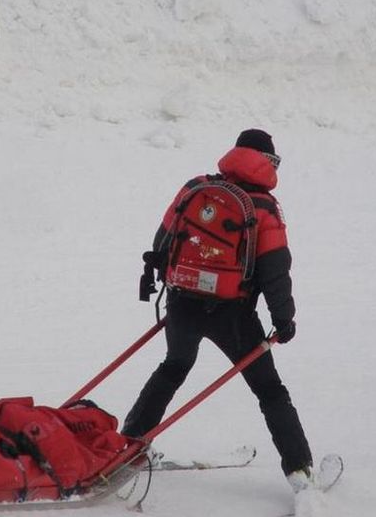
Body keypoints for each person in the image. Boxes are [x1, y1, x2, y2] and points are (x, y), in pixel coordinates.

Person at [123, 129, 315, 492]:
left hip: (182, 300)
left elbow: (162, 240)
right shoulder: (263, 208)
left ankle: (128, 446)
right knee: (270, 391)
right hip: (234, 314)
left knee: (174, 367)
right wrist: (283, 319)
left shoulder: (196, 187)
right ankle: (300, 470)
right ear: (268, 163)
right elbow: (276, 270)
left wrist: (178, 283)